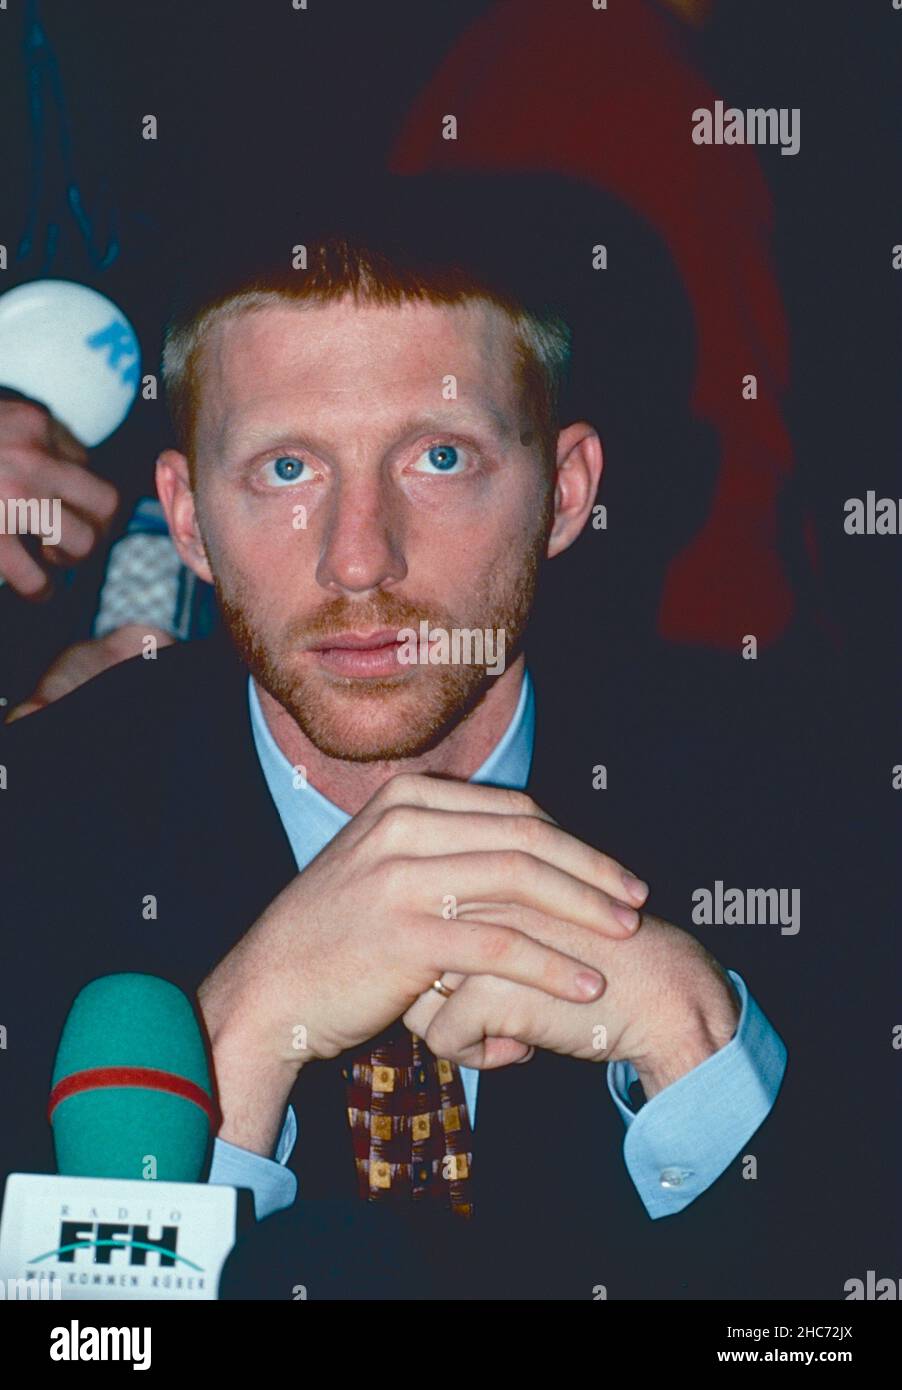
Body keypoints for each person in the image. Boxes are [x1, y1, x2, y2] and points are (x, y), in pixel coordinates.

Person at [0, 188, 880, 1300]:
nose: (358, 559)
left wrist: (704, 1068)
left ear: (564, 495)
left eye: (438, 459)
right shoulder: (30, 839)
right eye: (286, 469)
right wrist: (224, 1069)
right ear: (186, 522)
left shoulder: (812, 814)